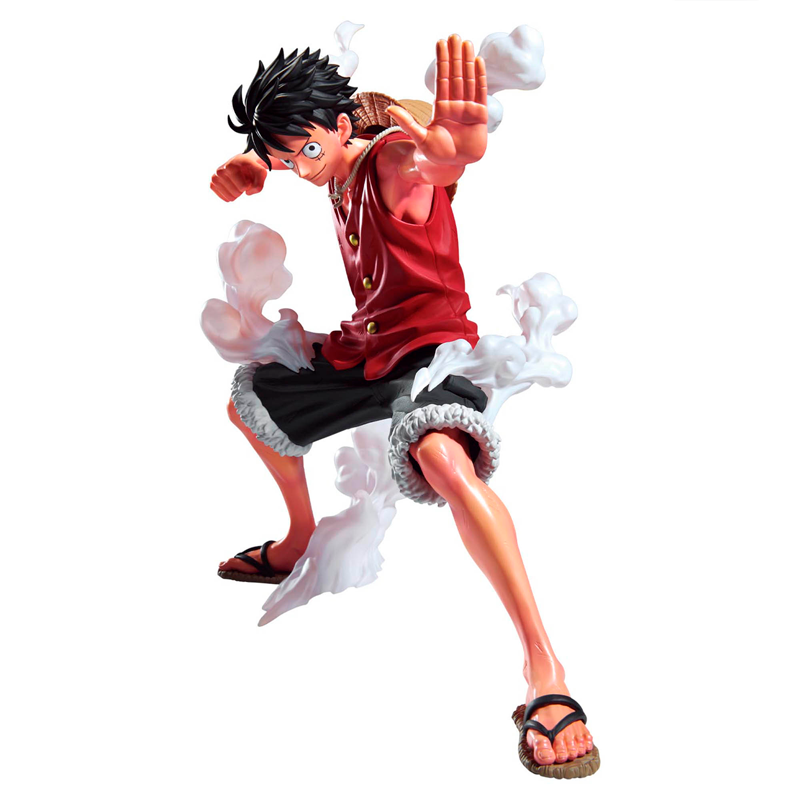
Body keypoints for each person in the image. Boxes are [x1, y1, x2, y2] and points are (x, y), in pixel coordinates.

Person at [209, 34, 598, 778]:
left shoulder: (390, 162)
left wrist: (455, 153)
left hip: (432, 350)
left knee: (443, 459)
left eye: (305, 152)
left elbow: (426, 161)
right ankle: (300, 538)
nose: (299, 168)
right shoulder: (328, 154)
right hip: (366, 348)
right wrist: (259, 160)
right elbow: (325, 135)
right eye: (288, 157)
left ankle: (544, 667)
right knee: (254, 401)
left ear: (342, 130)